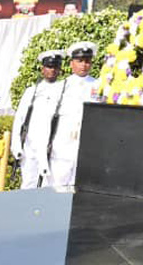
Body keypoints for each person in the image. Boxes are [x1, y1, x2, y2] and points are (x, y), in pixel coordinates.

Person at [11, 48, 66, 189]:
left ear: (60, 69)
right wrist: (16, 144)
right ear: (42, 68)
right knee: (28, 185)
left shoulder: (64, 92)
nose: (52, 70)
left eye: (55, 67)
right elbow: (20, 120)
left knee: (48, 187)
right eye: (49, 66)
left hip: (52, 149)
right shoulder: (32, 91)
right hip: (30, 147)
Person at [48, 41, 99, 190]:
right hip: (62, 147)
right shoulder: (60, 87)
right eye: (80, 61)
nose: (84, 65)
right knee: (57, 188)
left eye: (87, 61)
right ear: (71, 64)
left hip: (86, 148)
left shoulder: (98, 86)